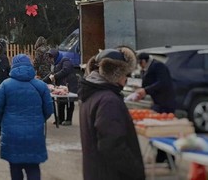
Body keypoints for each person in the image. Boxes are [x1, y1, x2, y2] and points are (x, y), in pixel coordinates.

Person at [79, 47, 144, 180]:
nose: (126, 79)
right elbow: (112, 145)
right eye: (125, 74)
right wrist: (136, 170)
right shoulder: (108, 101)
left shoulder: (92, 95)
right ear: (115, 74)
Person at [0, 54, 54, 180]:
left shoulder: (5, 85)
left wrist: (3, 122)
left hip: (11, 133)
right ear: (30, 66)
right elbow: (49, 109)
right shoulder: (40, 86)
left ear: (13, 66)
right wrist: (40, 120)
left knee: (15, 167)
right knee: (33, 167)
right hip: (35, 132)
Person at [43, 48, 78, 126]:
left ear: (55, 56)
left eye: (51, 57)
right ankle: (60, 119)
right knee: (60, 102)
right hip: (61, 86)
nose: (50, 59)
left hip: (69, 84)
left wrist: (55, 76)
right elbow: (50, 75)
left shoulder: (65, 60)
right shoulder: (55, 64)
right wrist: (41, 82)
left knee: (69, 102)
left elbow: (66, 70)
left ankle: (68, 120)